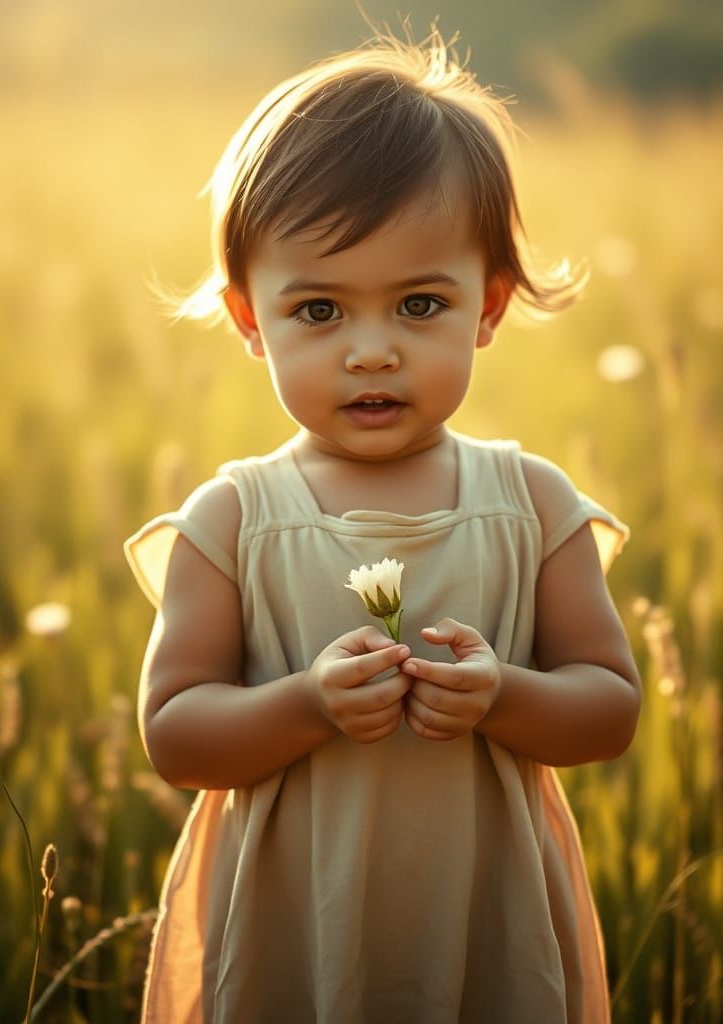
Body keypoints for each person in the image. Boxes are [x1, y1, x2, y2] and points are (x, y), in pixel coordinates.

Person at [125, 27, 641, 1024]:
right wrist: (308, 705)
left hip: (485, 916)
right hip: (291, 923)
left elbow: (608, 706)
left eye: (417, 303)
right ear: (247, 319)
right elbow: (177, 734)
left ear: (486, 307)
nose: (371, 352)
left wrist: (500, 694)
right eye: (318, 311)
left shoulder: (531, 504)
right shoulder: (231, 520)